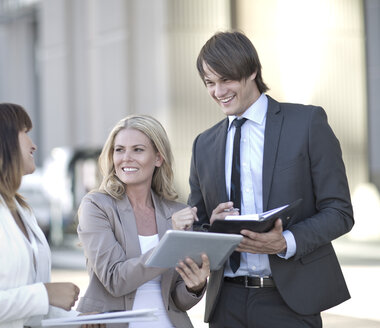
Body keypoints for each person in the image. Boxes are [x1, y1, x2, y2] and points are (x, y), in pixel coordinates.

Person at [176, 31, 354, 327]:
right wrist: (211, 227)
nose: (218, 91)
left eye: (226, 80)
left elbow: (339, 212)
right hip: (226, 304)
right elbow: (200, 226)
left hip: (290, 302)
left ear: (252, 71)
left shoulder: (307, 124)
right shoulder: (203, 144)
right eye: (210, 83)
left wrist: (284, 242)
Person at [76, 114, 210, 327]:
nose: (126, 158)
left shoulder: (177, 211)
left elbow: (177, 300)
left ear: (158, 158)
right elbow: (115, 279)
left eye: (137, 150)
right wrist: (170, 241)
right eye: (119, 150)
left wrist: (194, 286)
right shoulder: (97, 206)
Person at [0, 103, 81, 327]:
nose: (33, 145)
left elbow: (32, 312)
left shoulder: (21, 209)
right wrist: (44, 294)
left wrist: (82, 319)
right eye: (24, 132)